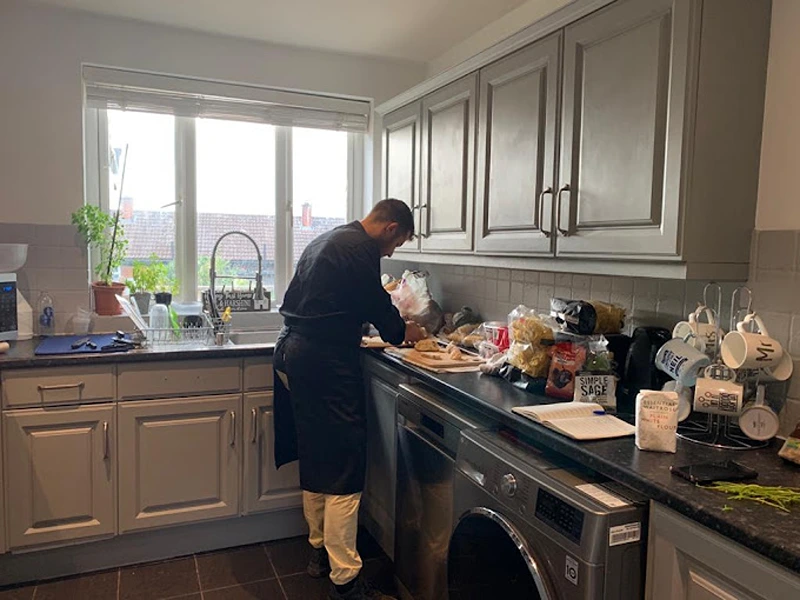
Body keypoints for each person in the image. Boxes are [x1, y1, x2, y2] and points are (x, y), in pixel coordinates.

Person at [273, 199, 426, 600]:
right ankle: (346, 582)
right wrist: (402, 330)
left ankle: (319, 552)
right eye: (398, 243)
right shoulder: (360, 248)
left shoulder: (329, 238)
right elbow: (376, 304)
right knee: (343, 464)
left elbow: (344, 301)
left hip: (293, 352)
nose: (392, 253)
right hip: (325, 361)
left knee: (316, 455)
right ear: (390, 228)